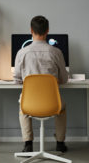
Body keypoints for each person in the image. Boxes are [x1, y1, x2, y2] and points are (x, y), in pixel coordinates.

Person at [14, 15, 69, 153]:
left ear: (31, 30)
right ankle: (60, 143)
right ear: (47, 31)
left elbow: (17, 79)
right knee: (61, 108)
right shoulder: (56, 52)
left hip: (30, 104)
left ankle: (28, 144)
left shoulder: (22, 53)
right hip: (52, 103)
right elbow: (64, 79)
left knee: (23, 107)